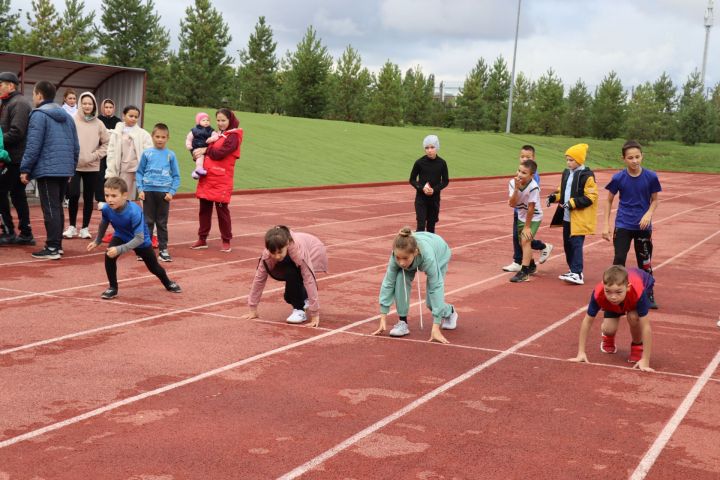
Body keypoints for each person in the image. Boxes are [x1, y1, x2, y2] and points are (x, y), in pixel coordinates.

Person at [87, 177, 181, 299]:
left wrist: (120, 249)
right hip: (121, 235)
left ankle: (167, 282)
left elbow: (139, 238)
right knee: (109, 256)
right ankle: (113, 288)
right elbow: (104, 222)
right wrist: (97, 240)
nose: (110, 200)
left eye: (114, 196)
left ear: (125, 195)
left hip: (140, 241)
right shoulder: (106, 208)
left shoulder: (134, 212)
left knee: (154, 267)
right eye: (107, 195)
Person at [19, 80, 79, 259]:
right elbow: (76, 146)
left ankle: (52, 247)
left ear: (39, 95)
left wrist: (25, 168)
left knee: (50, 209)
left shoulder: (38, 115)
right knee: (57, 207)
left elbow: (33, 145)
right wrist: (71, 169)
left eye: (33, 95)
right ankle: (56, 245)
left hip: (48, 169)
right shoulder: (67, 116)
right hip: (64, 169)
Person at [372, 226, 458, 344]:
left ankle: (450, 312)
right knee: (399, 278)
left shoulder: (428, 257)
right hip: (416, 250)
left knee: (431, 302)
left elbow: (436, 287)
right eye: (398, 258)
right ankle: (402, 322)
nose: (401, 262)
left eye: (405, 258)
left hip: (439, 251)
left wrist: (436, 326)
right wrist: (383, 316)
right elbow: (388, 282)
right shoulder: (396, 255)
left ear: (415, 252)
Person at [602, 140, 661, 308]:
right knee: (619, 260)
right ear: (624, 159)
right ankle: (615, 294)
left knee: (645, 262)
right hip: (623, 225)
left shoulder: (651, 177)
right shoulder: (619, 177)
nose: (634, 161)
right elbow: (608, 201)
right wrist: (605, 225)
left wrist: (648, 214)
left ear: (642, 156)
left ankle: (648, 294)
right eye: (630, 158)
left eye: (637, 157)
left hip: (643, 227)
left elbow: (655, 200)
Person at [569, 265, 655, 372]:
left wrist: (645, 360)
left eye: (618, 292)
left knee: (633, 317)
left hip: (638, 289)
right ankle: (608, 337)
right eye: (608, 291)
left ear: (628, 286)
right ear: (603, 285)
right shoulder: (598, 293)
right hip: (618, 299)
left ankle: (637, 346)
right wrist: (581, 352)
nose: (613, 297)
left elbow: (646, 326)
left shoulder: (638, 292)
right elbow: (587, 321)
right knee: (609, 329)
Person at [241, 225, 328, 326]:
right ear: (268, 249)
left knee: (292, 273)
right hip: (292, 254)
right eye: (273, 253)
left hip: (314, 249)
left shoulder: (298, 252)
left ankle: (299, 310)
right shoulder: (267, 255)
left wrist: (315, 315)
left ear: (286, 244)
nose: (277, 256)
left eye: (279, 252)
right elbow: (259, 279)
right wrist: (253, 309)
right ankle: (305, 298)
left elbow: (309, 280)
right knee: (288, 297)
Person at [190, 108, 243, 253]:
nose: (220, 123)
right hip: (208, 177)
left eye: (223, 120)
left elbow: (220, 153)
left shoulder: (233, 136)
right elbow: (201, 147)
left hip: (222, 179)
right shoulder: (215, 134)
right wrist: (197, 152)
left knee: (222, 211)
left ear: (230, 120)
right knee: (204, 210)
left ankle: (226, 240)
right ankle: (202, 238)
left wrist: (205, 150)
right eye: (218, 120)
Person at [546, 143, 598, 285]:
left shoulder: (587, 175)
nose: (568, 163)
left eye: (571, 160)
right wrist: (554, 197)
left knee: (576, 244)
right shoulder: (567, 173)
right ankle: (572, 270)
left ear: (580, 160)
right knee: (567, 244)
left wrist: (573, 203)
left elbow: (591, 197)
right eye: (567, 159)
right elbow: (562, 191)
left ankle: (577, 273)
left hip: (579, 218)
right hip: (567, 217)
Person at [63, 92, 109, 240]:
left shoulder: (99, 124)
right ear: (80, 104)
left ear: (94, 105)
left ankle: (85, 228)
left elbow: (107, 143)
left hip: (92, 166)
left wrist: (95, 156)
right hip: (75, 166)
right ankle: (71, 227)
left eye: (90, 103)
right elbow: (66, 139)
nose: (87, 106)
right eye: (84, 103)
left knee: (89, 198)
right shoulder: (72, 120)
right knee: (74, 195)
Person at [503, 145, 553, 272]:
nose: (524, 159)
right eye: (522, 156)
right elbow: (512, 200)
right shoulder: (519, 173)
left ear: (533, 158)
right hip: (519, 210)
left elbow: (531, 203)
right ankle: (528, 264)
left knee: (523, 239)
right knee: (519, 238)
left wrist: (527, 224)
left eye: (528, 157)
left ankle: (521, 260)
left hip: (529, 212)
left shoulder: (532, 178)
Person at [136, 123, 180, 262]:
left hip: (164, 195)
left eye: (163, 137)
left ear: (167, 138)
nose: (160, 139)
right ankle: (146, 250)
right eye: (157, 136)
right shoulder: (147, 153)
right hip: (148, 192)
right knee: (148, 222)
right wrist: (140, 189)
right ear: (152, 136)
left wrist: (171, 192)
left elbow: (176, 176)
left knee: (161, 223)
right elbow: (139, 172)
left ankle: (163, 250)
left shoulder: (170, 155)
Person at [0, 71, 34, 246]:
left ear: (11, 86)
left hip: (16, 159)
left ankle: (9, 232)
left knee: (4, 192)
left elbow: (17, 132)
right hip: (11, 158)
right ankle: (25, 233)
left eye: (0, 84)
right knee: (17, 194)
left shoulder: (19, 103)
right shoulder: (8, 102)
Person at [507, 159, 543, 282]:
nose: (520, 174)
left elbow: (532, 208)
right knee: (522, 242)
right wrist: (516, 189)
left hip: (534, 216)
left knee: (525, 240)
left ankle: (525, 271)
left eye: (524, 173)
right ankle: (532, 265)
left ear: (531, 175)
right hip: (521, 215)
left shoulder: (533, 187)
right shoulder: (512, 183)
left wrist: (527, 227)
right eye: (519, 171)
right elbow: (512, 204)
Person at [409, 134, 449, 233]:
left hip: (434, 200)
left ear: (437, 147)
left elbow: (445, 181)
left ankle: (431, 247)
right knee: (421, 226)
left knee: (431, 227)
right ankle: (419, 248)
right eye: (427, 148)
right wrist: (422, 188)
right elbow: (412, 179)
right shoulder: (419, 162)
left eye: (432, 147)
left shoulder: (442, 163)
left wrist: (434, 190)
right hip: (421, 199)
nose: (429, 150)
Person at [95, 99, 121, 210]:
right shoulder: (98, 120)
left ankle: (111, 199)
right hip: (101, 153)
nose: (108, 109)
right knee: (100, 177)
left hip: (113, 153)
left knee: (111, 177)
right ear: (102, 108)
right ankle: (100, 200)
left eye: (110, 107)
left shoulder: (118, 121)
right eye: (106, 107)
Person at [185, 112, 218, 180]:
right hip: (196, 148)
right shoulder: (194, 130)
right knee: (200, 157)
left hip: (206, 148)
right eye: (203, 120)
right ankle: (199, 168)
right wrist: (188, 145)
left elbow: (216, 136)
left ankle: (196, 173)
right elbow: (189, 138)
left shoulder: (210, 130)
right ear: (198, 121)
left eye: (207, 120)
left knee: (205, 160)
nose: (206, 122)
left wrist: (211, 139)